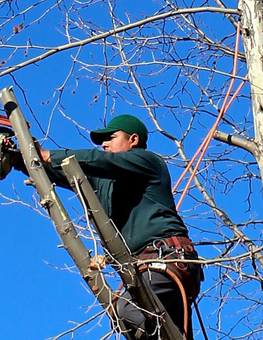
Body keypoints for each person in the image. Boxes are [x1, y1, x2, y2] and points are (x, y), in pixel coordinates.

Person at [22, 114, 202, 339]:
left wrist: (50, 155)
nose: (104, 144)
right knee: (155, 329)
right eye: (101, 141)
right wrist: (21, 153)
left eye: (111, 138)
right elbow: (60, 172)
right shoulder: (104, 182)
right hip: (145, 270)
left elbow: (100, 161)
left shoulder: (147, 161)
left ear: (133, 140)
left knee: (128, 311)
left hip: (168, 260)